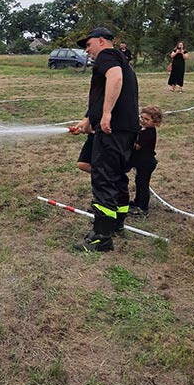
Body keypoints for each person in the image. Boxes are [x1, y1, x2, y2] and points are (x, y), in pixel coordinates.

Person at [71, 27, 140, 252]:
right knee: (117, 176)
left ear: (101, 41)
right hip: (126, 130)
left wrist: (107, 113)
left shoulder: (107, 56)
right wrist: (87, 121)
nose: (87, 51)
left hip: (112, 130)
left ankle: (101, 236)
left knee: (103, 177)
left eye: (88, 45)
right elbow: (102, 95)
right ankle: (116, 223)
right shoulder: (121, 58)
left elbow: (115, 77)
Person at [129, 106, 163, 218]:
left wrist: (128, 140)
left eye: (146, 119)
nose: (143, 121)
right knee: (139, 182)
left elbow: (137, 146)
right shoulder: (143, 129)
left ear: (155, 122)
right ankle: (137, 202)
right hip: (141, 163)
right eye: (141, 118)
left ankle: (143, 208)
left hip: (146, 163)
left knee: (143, 185)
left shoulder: (149, 133)